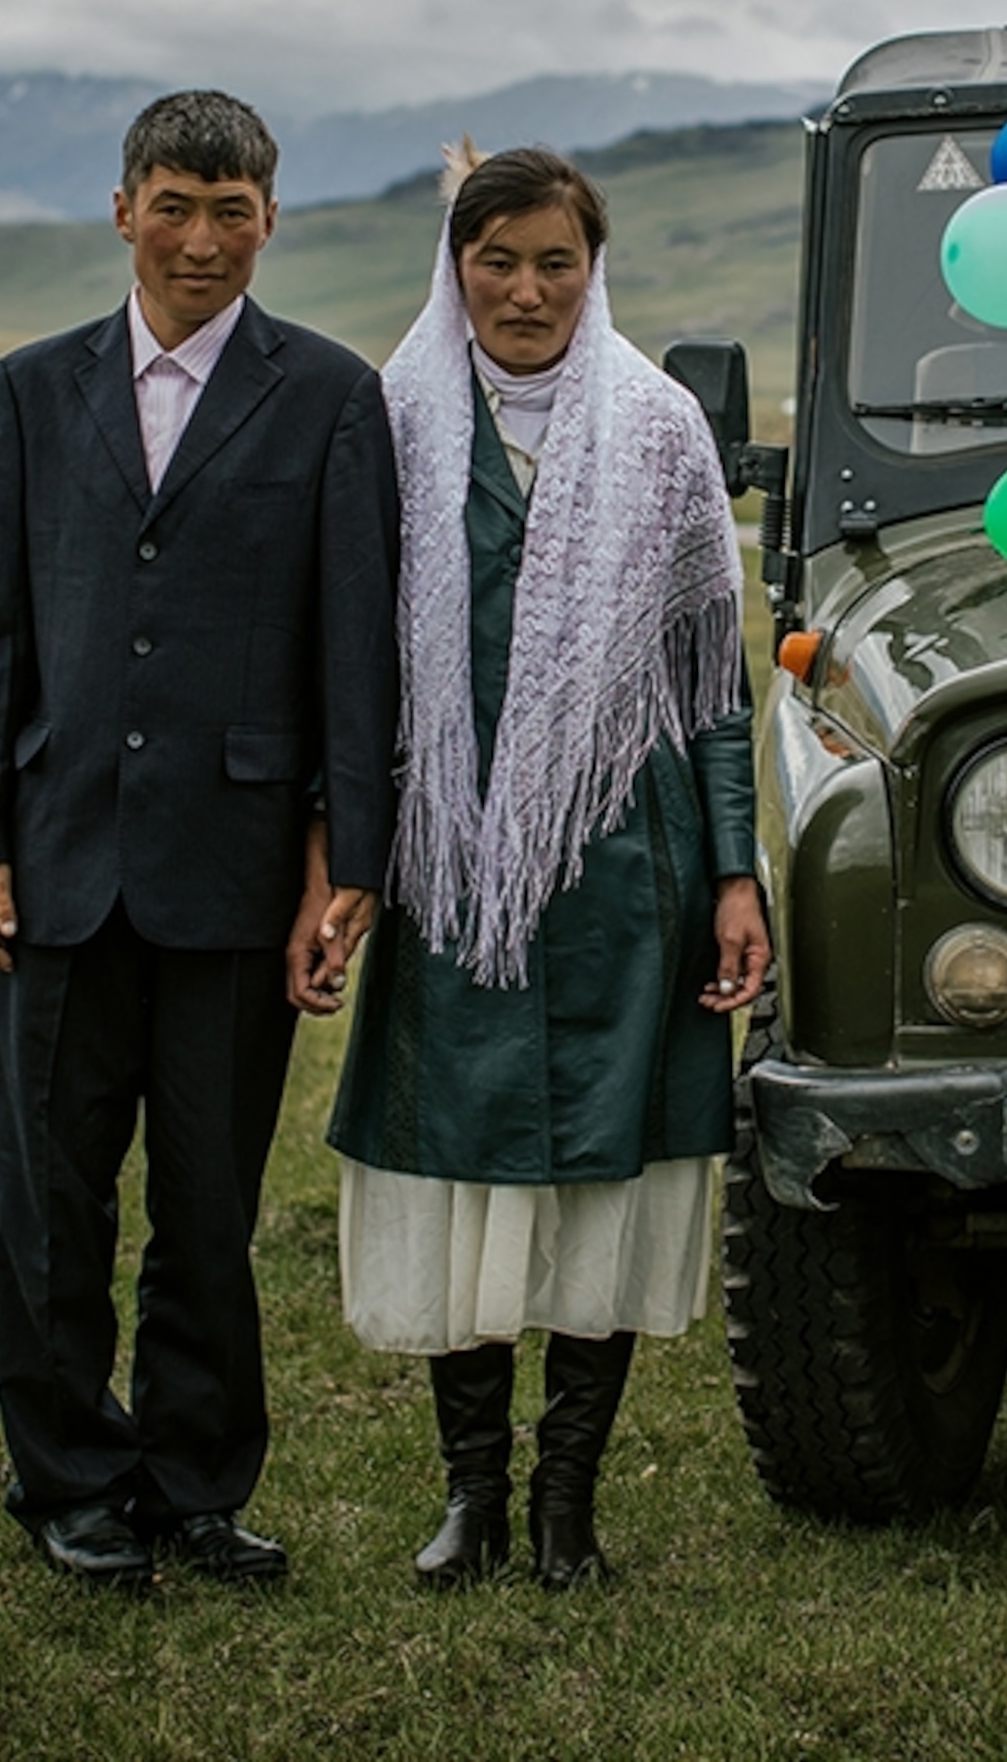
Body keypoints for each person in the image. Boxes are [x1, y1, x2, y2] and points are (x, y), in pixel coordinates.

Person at [0, 90, 401, 1589]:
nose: (201, 240)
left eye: (231, 212)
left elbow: (355, 649)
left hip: (238, 868)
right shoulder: (32, 388)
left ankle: (197, 1485)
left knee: (210, 1204)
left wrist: (349, 860)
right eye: (174, 207)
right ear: (123, 210)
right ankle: (68, 1479)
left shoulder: (330, 395)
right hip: (59, 858)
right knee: (49, 1203)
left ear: (272, 219)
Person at [326, 142, 766, 1590]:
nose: (526, 290)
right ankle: (472, 1498)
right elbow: (348, 662)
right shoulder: (392, 422)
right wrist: (345, 853)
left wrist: (735, 873)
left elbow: (711, 680)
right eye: (497, 260)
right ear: (455, 267)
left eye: (555, 262)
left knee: (602, 1183)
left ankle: (568, 1503)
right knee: (461, 1161)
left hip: (627, 863)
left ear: (595, 268)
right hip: (451, 872)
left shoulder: (661, 432)